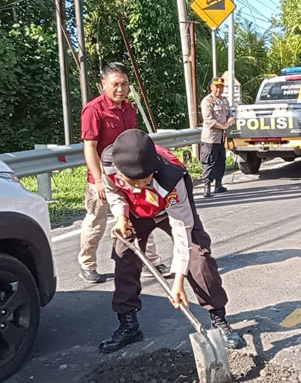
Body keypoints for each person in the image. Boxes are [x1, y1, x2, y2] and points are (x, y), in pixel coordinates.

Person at [97, 129, 246, 354]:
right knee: (123, 255)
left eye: (144, 180)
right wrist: (121, 217)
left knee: (199, 258)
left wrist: (177, 282)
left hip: (171, 212)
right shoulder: (110, 162)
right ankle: (128, 324)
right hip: (136, 213)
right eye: (132, 181)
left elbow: (181, 235)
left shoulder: (172, 178)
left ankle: (218, 319)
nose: (138, 187)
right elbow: (115, 192)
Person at [78, 62, 168, 283]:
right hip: (101, 178)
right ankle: (87, 263)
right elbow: (89, 147)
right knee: (95, 222)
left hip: (128, 176)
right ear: (103, 84)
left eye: (124, 84)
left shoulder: (129, 108)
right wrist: (98, 180)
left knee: (141, 217)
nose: (120, 89)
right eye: (115, 84)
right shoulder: (94, 109)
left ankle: (151, 261)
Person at [199, 77, 235, 198]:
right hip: (211, 138)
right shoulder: (208, 101)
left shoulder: (224, 101)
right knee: (209, 161)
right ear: (211, 87)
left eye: (221, 86)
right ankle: (207, 186)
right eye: (217, 86)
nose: (219, 89)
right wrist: (224, 126)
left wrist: (231, 120)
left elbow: (230, 114)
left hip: (221, 138)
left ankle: (218, 185)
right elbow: (209, 120)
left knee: (220, 160)